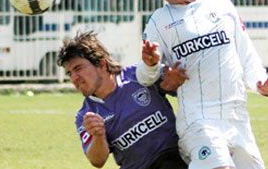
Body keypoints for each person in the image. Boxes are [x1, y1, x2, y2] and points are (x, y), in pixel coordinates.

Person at [135, 0, 268, 169]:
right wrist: (150, 64)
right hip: (198, 119)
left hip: (237, 117)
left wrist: (260, 82)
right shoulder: (159, 22)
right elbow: (144, 76)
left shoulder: (224, 7)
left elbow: (246, 55)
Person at [57, 31, 188, 169]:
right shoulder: (86, 116)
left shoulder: (140, 75)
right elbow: (97, 161)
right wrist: (98, 135)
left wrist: (176, 82)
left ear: (101, 64)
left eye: (78, 68)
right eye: (70, 73)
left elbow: (184, 85)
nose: (74, 78)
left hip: (173, 158)